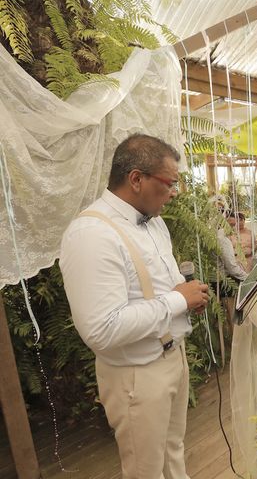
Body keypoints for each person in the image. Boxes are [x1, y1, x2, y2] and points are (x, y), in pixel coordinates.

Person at [59, 134, 210, 478]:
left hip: (174, 358)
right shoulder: (91, 235)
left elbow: (156, 292)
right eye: (169, 183)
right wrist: (176, 300)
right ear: (137, 179)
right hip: (137, 377)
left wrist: (185, 299)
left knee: (174, 453)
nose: (174, 193)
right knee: (145, 471)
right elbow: (102, 328)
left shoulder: (154, 222)